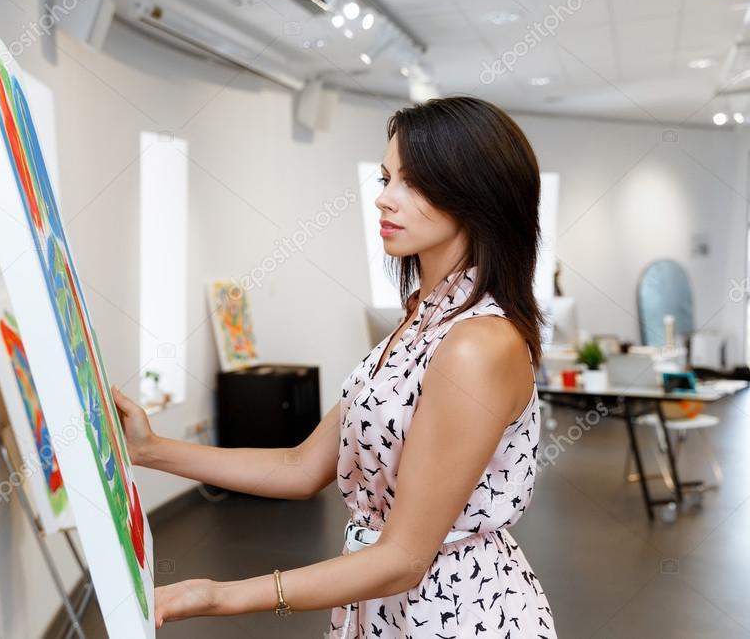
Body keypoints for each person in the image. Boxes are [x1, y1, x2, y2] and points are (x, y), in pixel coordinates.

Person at [111, 96, 557, 638]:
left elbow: (404, 557)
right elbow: (302, 466)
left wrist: (221, 595)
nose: (384, 201)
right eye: (386, 178)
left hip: (456, 614)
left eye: (412, 183)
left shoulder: (477, 345)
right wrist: (149, 450)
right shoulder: (420, 320)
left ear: (476, 196)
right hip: (385, 607)